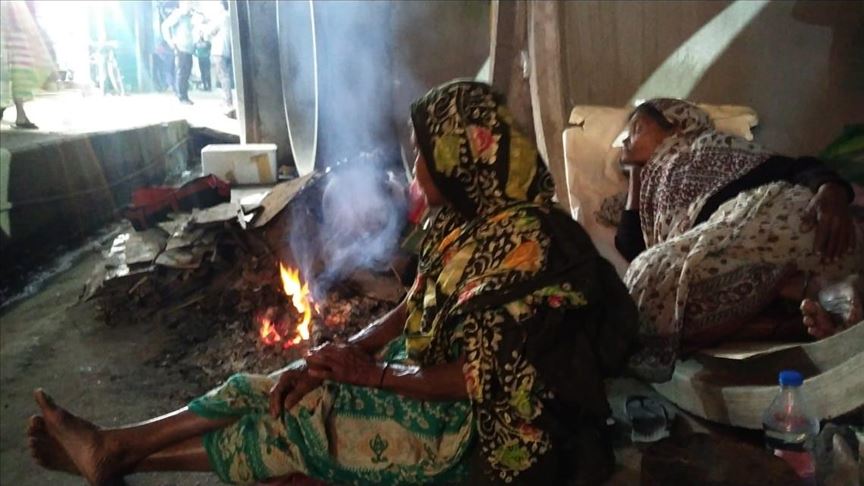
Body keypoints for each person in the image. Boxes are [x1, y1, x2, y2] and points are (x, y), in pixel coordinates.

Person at [27, 81, 638, 485]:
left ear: (461, 157)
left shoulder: (535, 247)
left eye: (424, 153)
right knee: (272, 383)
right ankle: (119, 447)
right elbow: (415, 305)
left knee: (300, 419)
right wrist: (350, 349)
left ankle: (125, 457)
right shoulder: (464, 219)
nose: (415, 167)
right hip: (423, 372)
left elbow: (483, 377)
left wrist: (374, 377)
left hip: (488, 432)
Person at [615, 98, 862, 382]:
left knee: (651, 297)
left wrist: (831, 189)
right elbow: (632, 247)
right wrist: (636, 174)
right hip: (762, 258)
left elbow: (795, 167)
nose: (627, 141)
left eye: (637, 129)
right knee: (649, 294)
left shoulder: (712, 145)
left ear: (676, 126)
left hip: (800, 222)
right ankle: (813, 298)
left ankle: (802, 298)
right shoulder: (653, 190)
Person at [0, 0, 55, 129]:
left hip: (13, 27)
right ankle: (20, 114)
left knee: (16, 69)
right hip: (14, 26)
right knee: (17, 68)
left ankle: (19, 114)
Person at [161, 1, 199, 105]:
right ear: (183, 4)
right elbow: (165, 26)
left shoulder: (190, 16)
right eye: (188, 3)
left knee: (187, 73)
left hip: (189, 48)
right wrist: (170, 41)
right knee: (182, 73)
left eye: (191, 3)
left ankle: (185, 96)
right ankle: (182, 97)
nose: (190, 5)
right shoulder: (178, 14)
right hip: (181, 47)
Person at [209, 0, 235, 118]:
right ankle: (226, 100)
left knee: (223, 77)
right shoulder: (230, 17)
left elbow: (210, 31)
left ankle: (228, 103)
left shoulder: (221, 17)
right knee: (225, 76)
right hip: (228, 50)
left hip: (219, 50)